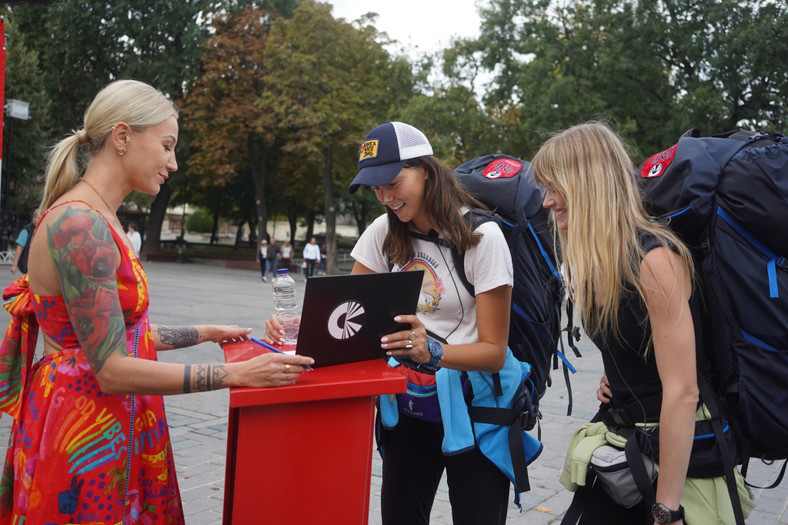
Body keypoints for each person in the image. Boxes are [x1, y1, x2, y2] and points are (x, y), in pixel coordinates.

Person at [0, 80, 313, 525]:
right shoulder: (79, 224)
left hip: (104, 419)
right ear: (123, 137)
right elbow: (109, 368)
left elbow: (114, 335)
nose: (173, 162)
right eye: (166, 146)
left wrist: (206, 333)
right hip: (84, 433)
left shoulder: (96, 215)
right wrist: (237, 374)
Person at [266, 121, 519, 524]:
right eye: (376, 188)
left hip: (474, 410)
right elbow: (346, 317)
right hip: (408, 405)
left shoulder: (482, 238)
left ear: (426, 170)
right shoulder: (382, 232)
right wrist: (300, 325)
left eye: (394, 182)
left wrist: (432, 350)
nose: (386, 196)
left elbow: (493, 353)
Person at [530, 121, 754, 524]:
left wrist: (666, 510)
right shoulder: (605, 262)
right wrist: (620, 377)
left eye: (555, 187)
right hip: (627, 441)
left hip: (677, 462)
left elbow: (684, 391)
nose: (547, 201)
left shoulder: (654, 261)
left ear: (588, 183)